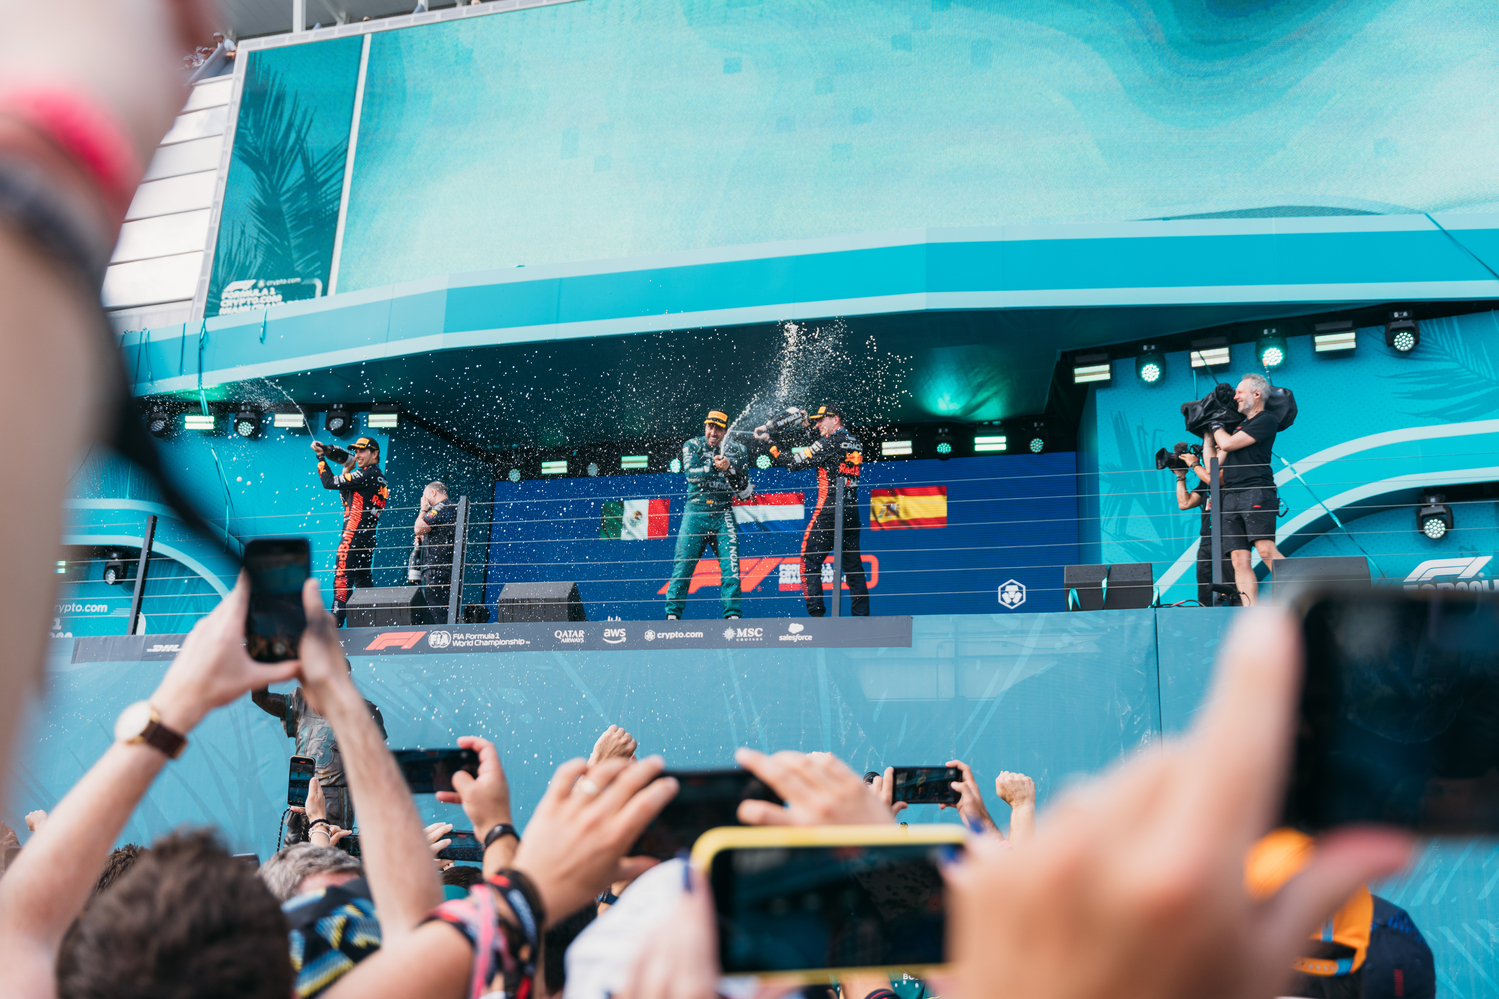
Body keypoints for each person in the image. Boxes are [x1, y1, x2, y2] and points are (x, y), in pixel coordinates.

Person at [252, 662, 387, 845]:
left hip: (335, 801)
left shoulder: (364, 711)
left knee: (329, 853)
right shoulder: (300, 703)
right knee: (293, 854)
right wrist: (262, 663)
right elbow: (260, 697)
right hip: (301, 799)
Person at [756, 404, 869, 616]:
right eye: (815, 421)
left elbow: (792, 462)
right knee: (853, 567)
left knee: (808, 562)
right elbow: (823, 450)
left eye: (821, 420)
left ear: (835, 419)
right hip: (851, 510)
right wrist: (807, 427)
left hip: (828, 510)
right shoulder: (854, 441)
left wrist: (770, 443)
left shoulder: (829, 442)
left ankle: (817, 619)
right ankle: (862, 620)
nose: (817, 424)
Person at [664, 409, 749, 621]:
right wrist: (713, 466)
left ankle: (733, 616)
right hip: (696, 512)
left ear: (725, 431)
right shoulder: (692, 445)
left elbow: (744, 488)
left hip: (723, 513)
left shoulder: (739, 450)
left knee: (731, 566)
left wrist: (729, 469)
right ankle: (672, 616)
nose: (713, 432)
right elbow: (690, 475)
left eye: (718, 429)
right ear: (705, 427)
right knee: (683, 565)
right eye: (710, 427)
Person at [1210, 374, 1286, 606]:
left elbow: (1227, 444)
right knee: (1238, 559)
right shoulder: (1238, 428)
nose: (1235, 397)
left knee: (1265, 550)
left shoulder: (1266, 419)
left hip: (1256, 490)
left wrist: (1216, 425)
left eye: (1239, 392)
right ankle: (1250, 610)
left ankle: (1298, 599)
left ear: (1257, 394)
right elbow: (1214, 464)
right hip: (1231, 495)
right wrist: (1207, 432)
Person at [313, 436, 390, 626]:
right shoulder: (378, 477)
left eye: (362, 451)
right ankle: (370, 625)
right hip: (367, 537)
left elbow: (328, 482)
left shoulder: (366, 474)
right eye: (355, 451)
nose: (357, 455)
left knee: (342, 577)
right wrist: (347, 469)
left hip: (353, 534)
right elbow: (346, 502)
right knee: (363, 581)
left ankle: (335, 624)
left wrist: (321, 458)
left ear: (375, 453)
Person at [1175, 443, 1240, 607]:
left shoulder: (1233, 472)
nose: (1214, 450)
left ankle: (1236, 617)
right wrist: (1180, 476)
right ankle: (1205, 618)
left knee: (1229, 585)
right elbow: (1185, 503)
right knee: (1204, 586)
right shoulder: (1206, 481)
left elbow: (1213, 479)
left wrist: (1194, 464)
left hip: (1228, 538)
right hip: (1207, 540)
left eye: (1218, 448)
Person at [414, 480, 459, 623]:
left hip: (437, 568)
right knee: (444, 613)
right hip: (446, 567)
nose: (423, 499)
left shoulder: (441, 506)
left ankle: (443, 635)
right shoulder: (451, 507)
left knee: (438, 615)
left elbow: (418, 528)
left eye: (424, 496)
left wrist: (423, 509)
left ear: (433, 493)